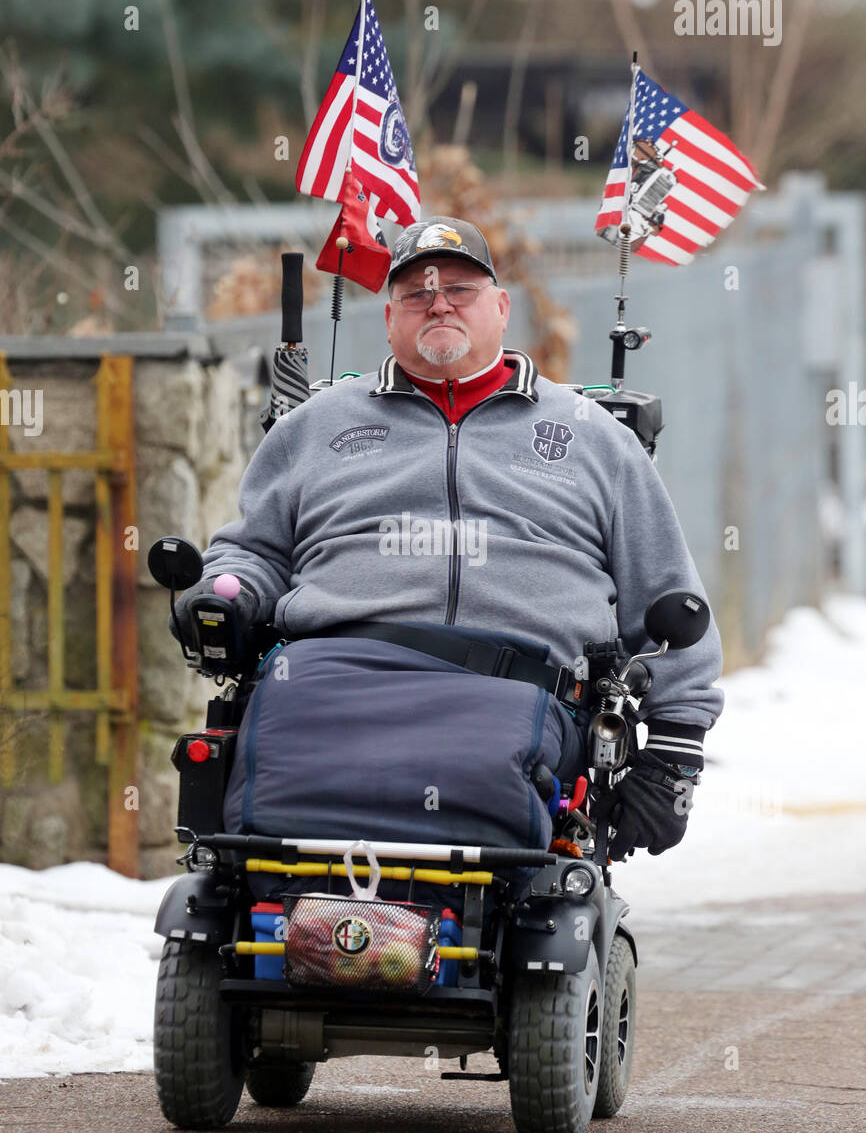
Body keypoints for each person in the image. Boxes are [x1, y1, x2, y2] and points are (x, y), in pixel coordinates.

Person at [172, 216, 724, 860]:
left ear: (500, 306)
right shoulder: (315, 427)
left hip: (521, 689)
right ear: (388, 319)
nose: (437, 301)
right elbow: (256, 551)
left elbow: (670, 596)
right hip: (332, 679)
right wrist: (224, 591)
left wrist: (674, 754)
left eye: (460, 288)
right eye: (415, 292)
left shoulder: (594, 439)